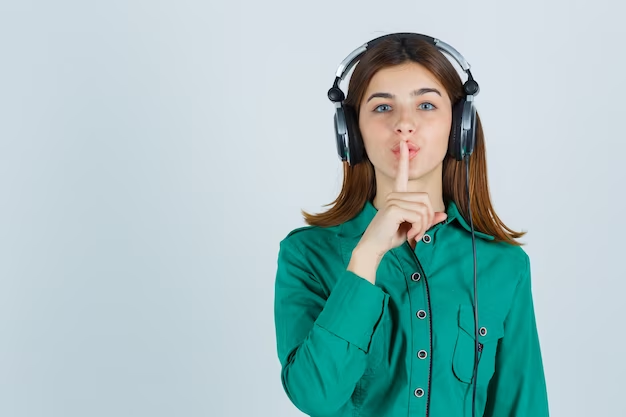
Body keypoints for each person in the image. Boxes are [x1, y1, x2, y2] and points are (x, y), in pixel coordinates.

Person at [273, 34, 549, 417]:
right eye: (383, 107)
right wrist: (366, 257)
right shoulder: (305, 255)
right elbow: (314, 396)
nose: (405, 124)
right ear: (352, 133)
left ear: (459, 127)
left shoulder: (504, 265)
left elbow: (523, 407)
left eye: (425, 104)